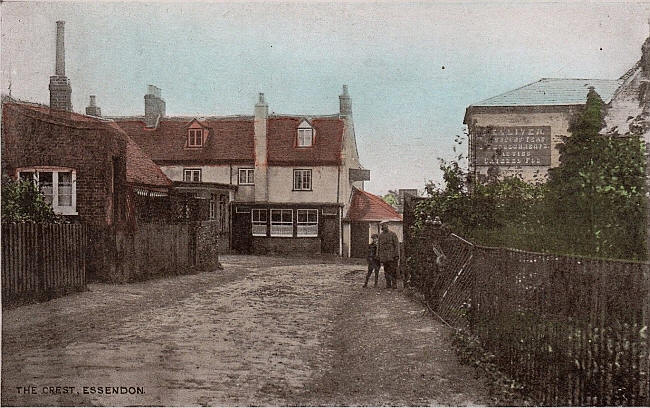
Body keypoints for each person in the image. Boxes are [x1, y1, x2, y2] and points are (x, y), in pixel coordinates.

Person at [378, 222, 400, 289]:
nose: (385, 227)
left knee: (393, 270)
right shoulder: (381, 236)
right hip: (384, 257)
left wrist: (396, 255)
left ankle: (394, 284)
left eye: (386, 225)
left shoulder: (393, 234)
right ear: (382, 227)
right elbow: (379, 246)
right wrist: (378, 255)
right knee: (386, 270)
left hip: (392, 256)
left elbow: (396, 245)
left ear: (388, 226)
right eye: (383, 226)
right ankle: (388, 284)